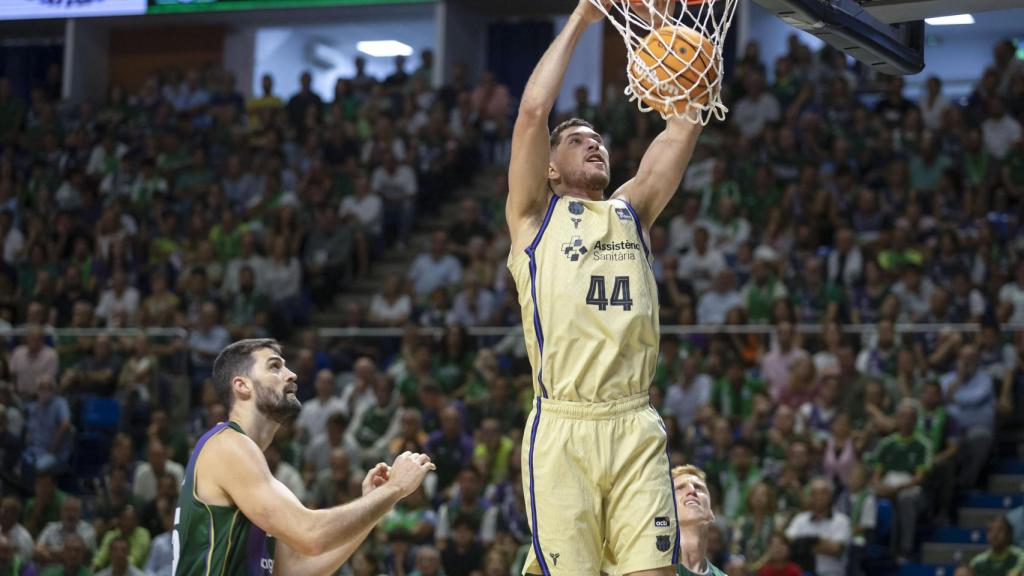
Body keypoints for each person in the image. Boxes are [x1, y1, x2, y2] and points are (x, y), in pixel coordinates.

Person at [505, 0, 704, 573]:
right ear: (549, 166)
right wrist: (582, 18)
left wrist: (663, 32)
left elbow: (685, 121)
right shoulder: (532, 219)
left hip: (634, 420)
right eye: (577, 141)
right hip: (563, 425)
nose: (595, 144)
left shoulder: (631, 210)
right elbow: (532, 113)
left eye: (598, 139)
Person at [172, 339, 435, 575]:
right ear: (242, 386)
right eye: (275, 366)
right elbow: (311, 535)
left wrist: (374, 505)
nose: (291, 374)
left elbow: (297, 570)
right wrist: (394, 488)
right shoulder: (227, 444)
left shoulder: (256, 473)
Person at [672, 465, 727, 576]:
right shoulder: (651, 566)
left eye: (698, 487)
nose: (692, 490)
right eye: (680, 488)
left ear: (711, 513)